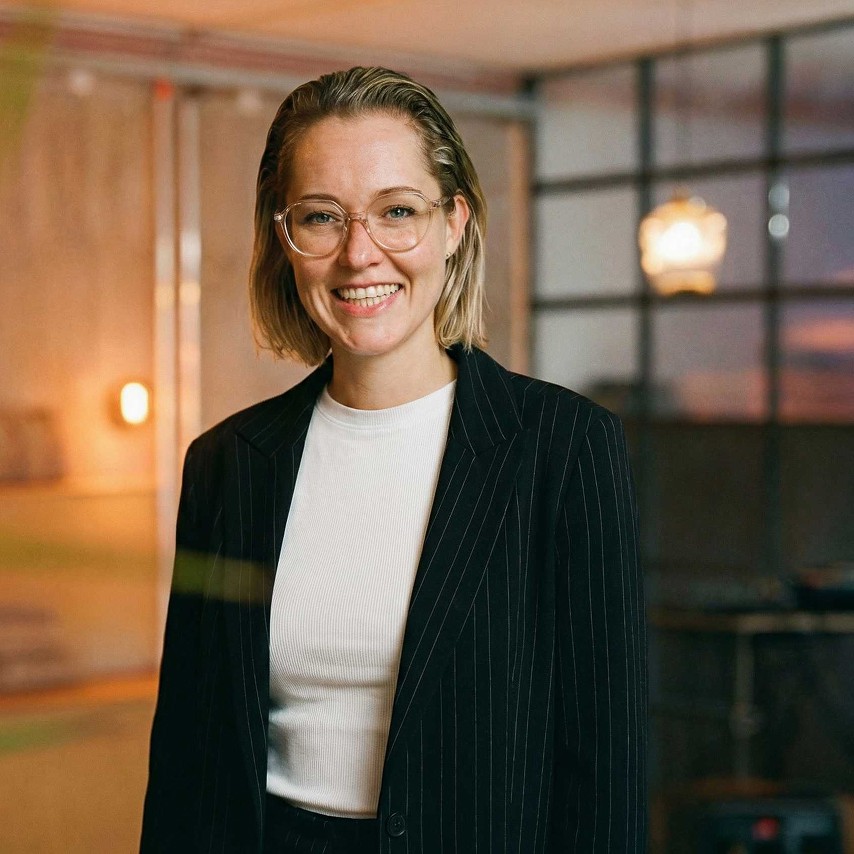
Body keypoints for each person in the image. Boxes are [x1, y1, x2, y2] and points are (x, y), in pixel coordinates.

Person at [141, 66, 647, 854]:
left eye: (397, 212)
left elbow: (604, 769)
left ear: (454, 223)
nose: (359, 253)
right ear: (284, 239)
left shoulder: (564, 447)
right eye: (321, 217)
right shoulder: (226, 466)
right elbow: (187, 759)